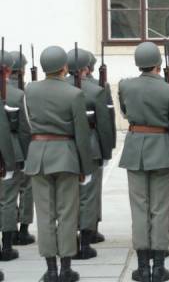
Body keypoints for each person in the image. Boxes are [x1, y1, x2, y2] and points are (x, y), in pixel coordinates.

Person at [24, 45, 95, 282]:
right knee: (67, 213)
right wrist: (86, 167)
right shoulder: (74, 94)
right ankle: (66, 268)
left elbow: (27, 124)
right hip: (65, 156)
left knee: (44, 214)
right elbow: (81, 134)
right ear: (64, 67)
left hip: (38, 155)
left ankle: (51, 269)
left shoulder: (30, 90)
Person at [118, 42, 169, 282]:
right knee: (160, 208)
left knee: (139, 208)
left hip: (135, 150)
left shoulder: (125, 85)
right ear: (158, 63)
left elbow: (125, 112)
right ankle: (158, 266)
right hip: (162, 151)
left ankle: (141, 266)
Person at [65, 49, 113, 260]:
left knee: (68, 197)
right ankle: (85, 243)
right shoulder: (95, 91)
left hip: (65, 147)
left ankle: (69, 241)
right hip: (91, 146)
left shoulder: (60, 88)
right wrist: (106, 150)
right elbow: (104, 125)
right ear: (87, 67)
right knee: (88, 196)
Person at [0, 51, 31, 261]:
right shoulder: (17, 95)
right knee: (8, 199)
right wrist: (27, 155)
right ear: (8, 70)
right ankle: (7, 246)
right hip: (10, 151)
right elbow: (24, 131)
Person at [86, 50, 116, 244]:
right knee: (91, 191)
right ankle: (90, 229)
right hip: (92, 145)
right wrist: (108, 149)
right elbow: (107, 120)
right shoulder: (99, 87)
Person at [7, 51, 35, 246]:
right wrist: (28, 153)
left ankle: (8, 233)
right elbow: (26, 128)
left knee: (6, 195)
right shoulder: (21, 94)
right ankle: (23, 230)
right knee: (26, 188)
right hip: (18, 149)